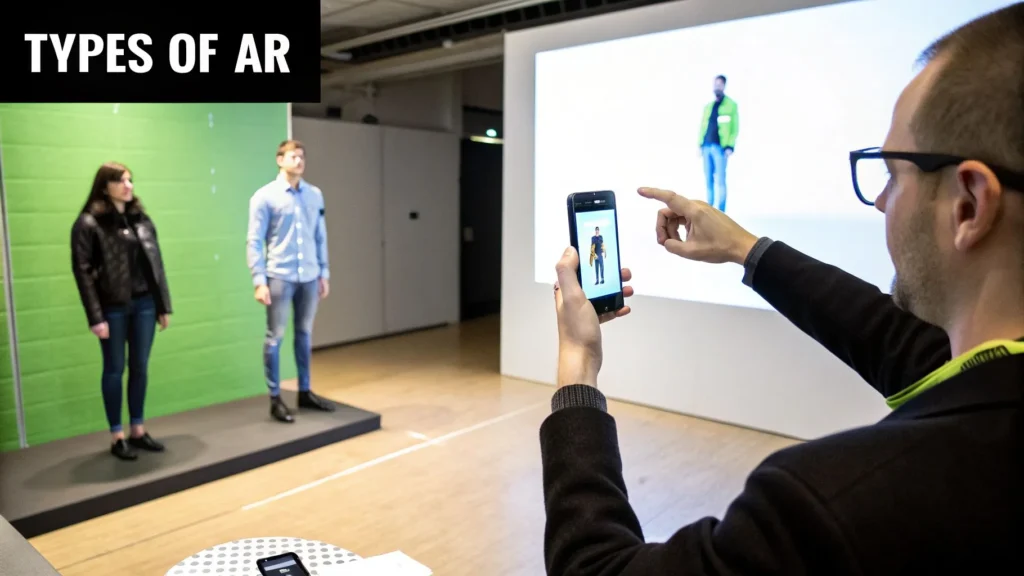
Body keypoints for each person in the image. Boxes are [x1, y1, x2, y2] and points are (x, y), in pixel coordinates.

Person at [542, 4, 1024, 574]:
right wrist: (742, 246)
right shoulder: (990, 382)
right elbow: (897, 343)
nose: (880, 200)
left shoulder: (832, 507)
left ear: (968, 205)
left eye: (892, 173)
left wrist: (578, 365)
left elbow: (596, 568)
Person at [71, 162, 172, 461]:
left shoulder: (141, 220)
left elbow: (156, 265)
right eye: (121, 181)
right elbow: (83, 272)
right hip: (112, 308)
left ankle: (138, 430)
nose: (128, 186)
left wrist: (162, 305)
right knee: (114, 368)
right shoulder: (88, 223)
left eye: (130, 180)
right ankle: (117, 435)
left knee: (140, 366)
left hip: (144, 304)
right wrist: (95, 317)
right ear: (105, 186)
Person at [247, 140, 334, 423]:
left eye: (302, 157)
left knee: (305, 334)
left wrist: (324, 272)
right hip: (280, 276)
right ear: (279, 160)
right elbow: (254, 240)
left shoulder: (315, 195)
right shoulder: (264, 196)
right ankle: (275, 398)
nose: (298, 161)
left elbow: (320, 236)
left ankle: (305, 391)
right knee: (275, 337)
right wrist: (259, 280)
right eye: (292, 156)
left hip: (309, 275)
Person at [698, 74, 738, 212]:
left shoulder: (731, 105)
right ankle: (709, 209)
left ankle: (721, 211)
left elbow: (734, 128)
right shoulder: (708, 106)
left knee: (720, 180)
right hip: (706, 147)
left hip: (720, 148)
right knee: (708, 179)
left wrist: (730, 146)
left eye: (720, 84)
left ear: (724, 86)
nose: (717, 86)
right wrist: (700, 144)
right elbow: (703, 126)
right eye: (716, 84)